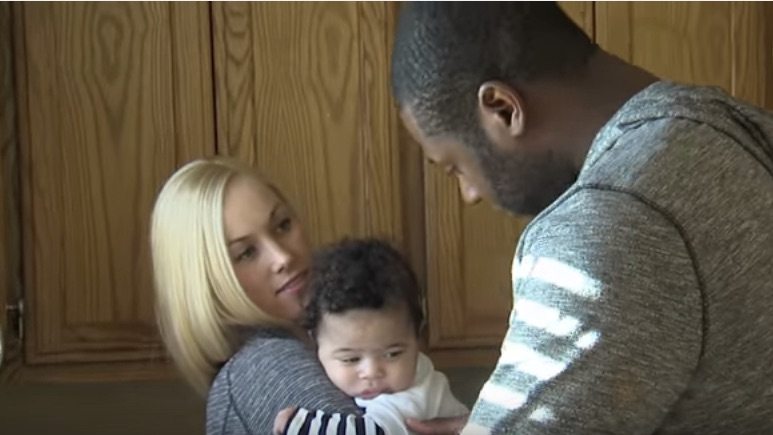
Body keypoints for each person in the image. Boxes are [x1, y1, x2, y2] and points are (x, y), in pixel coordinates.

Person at [391, 2, 773, 434]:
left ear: (502, 108)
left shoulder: (612, 220)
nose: (470, 194)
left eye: (455, 167)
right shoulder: (740, 127)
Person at [150, 157, 383, 434]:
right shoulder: (269, 366)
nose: (282, 257)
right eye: (246, 253)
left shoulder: (329, 344)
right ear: (206, 285)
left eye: (282, 225)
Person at [274, 238, 468, 435]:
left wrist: (297, 423)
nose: (372, 372)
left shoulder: (414, 391)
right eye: (351, 359)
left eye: (393, 354)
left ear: (418, 339)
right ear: (315, 344)